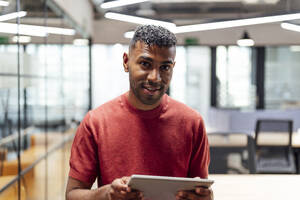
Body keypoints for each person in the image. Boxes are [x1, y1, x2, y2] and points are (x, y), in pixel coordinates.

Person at [66, 25, 213, 200]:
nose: (155, 77)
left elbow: (200, 189)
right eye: (145, 64)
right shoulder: (96, 122)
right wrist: (106, 195)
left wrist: (205, 197)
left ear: (173, 67)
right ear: (126, 62)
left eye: (165, 67)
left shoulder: (192, 122)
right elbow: (72, 194)